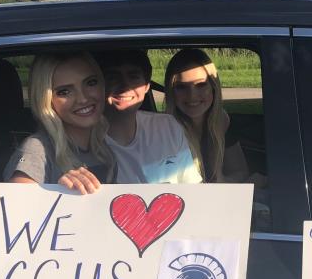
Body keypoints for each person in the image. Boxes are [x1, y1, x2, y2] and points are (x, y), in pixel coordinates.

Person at [4, 52, 115, 193]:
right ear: (46, 100)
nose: (83, 98)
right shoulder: (37, 151)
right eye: (64, 92)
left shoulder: (103, 145)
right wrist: (58, 190)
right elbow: (15, 209)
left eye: (90, 83)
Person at [96, 48, 202, 184]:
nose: (125, 86)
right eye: (113, 77)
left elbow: (191, 186)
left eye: (133, 77)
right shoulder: (86, 141)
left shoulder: (167, 126)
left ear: (147, 86)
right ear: (101, 85)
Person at [163, 48, 257, 184]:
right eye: (181, 87)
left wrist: (222, 181)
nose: (192, 96)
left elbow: (240, 171)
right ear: (171, 92)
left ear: (214, 87)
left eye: (201, 85)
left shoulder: (222, 122)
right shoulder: (164, 132)